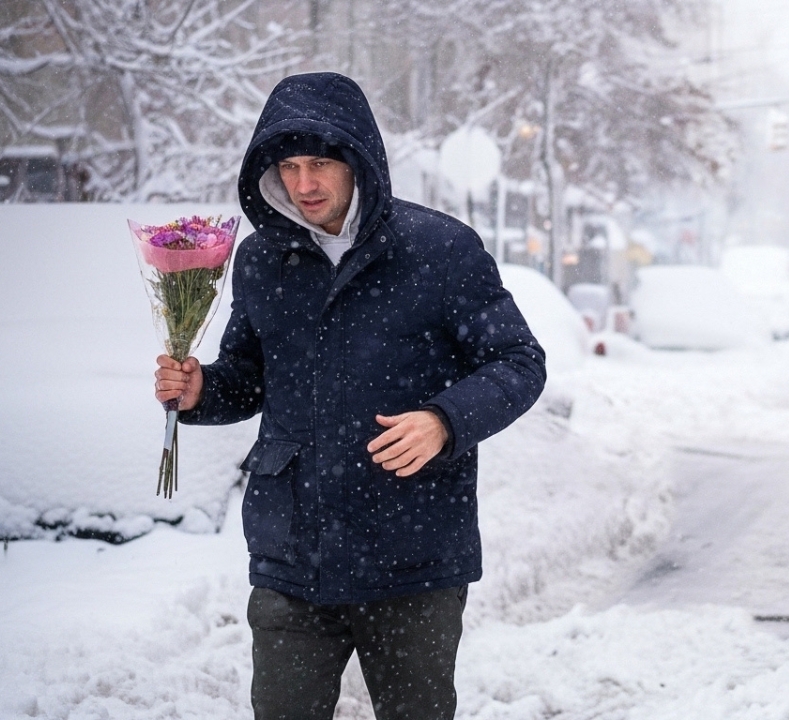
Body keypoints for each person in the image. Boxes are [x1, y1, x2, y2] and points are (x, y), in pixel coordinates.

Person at [154, 72, 546, 720]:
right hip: (292, 556)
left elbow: (518, 361)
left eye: (321, 164)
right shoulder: (260, 261)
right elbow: (248, 377)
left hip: (411, 558)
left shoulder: (439, 251)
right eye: (289, 165)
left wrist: (444, 421)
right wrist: (199, 391)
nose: (304, 184)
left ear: (358, 159)